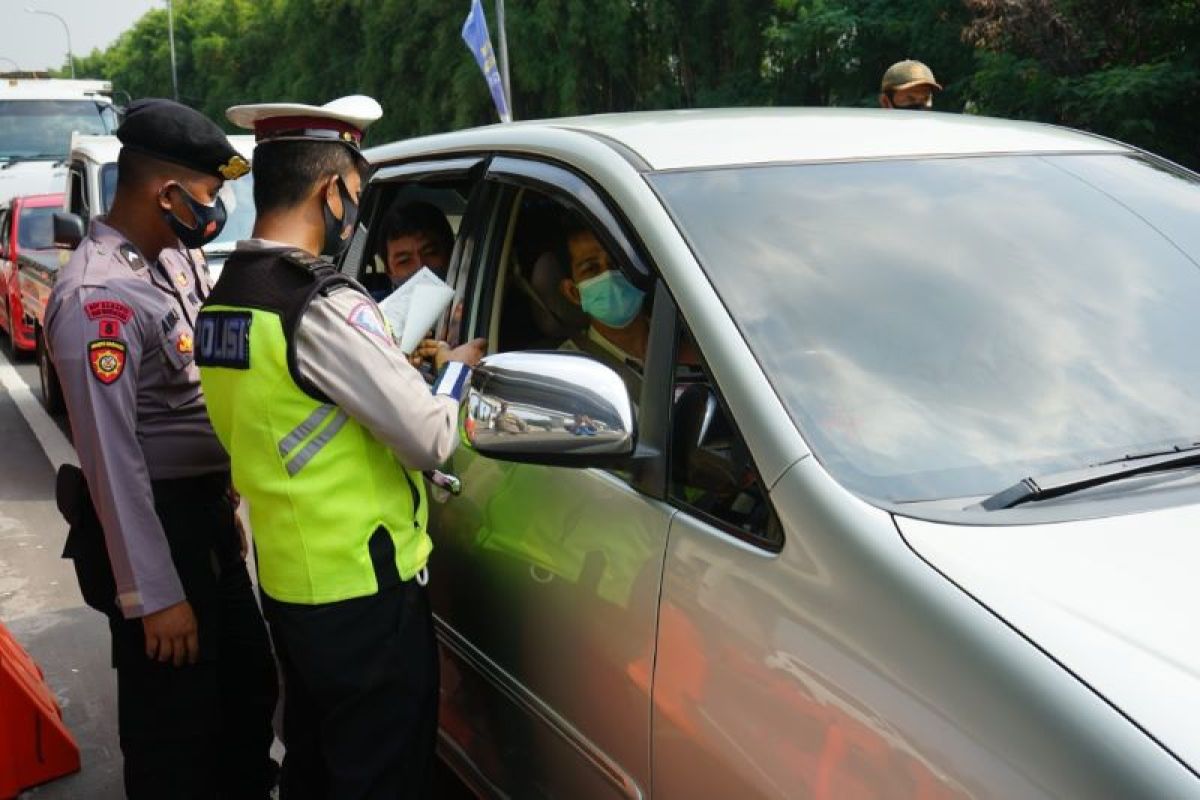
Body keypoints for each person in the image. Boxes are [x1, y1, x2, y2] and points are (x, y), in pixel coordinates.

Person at [199, 94, 485, 799]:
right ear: (333, 189)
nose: (353, 210)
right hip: (365, 592)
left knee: (315, 766)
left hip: (294, 585)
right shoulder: (321, 303)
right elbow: (429, 436)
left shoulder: (225, 298)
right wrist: (458, 368)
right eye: (355, 192)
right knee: (382, 775)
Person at [45, 99, 278, 799]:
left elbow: (191, 393)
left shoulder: (170, 262)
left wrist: (224, 491)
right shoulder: (98, 299)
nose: (216, 211)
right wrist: (153, 596)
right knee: (176, 730)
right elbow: (113, 463)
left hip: (200, 516)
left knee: (246, 690)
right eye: (209, 195)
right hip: (159, 533)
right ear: (168, 194)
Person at [380, 200, 454, 287]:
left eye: (430, 253)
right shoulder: (370, 300)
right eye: (404, 261)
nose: (421, 267)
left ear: (451, 255)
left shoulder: (472, 296)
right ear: (389, 273)